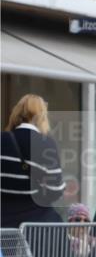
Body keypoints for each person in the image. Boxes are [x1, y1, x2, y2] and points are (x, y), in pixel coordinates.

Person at [1, 94, 65, 227]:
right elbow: (56, 189)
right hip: (34, 225)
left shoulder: (2, 139)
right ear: (42, 116)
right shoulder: (45, 144)